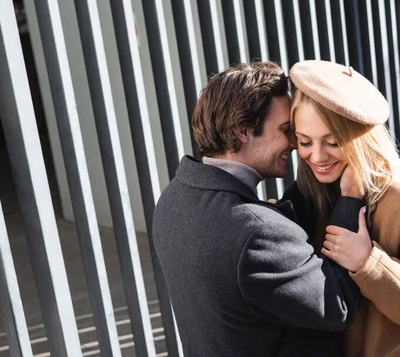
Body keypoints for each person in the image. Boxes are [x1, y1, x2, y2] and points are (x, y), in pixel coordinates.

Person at [152, 61, 362, 356]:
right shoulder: (257, 232)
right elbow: (337, 304)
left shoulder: (174, 199)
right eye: (285, 130)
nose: (293, 143)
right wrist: (350, 198)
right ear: (244, 130)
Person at [285, 60, 400, 356]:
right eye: (305, 141)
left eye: (333, 142)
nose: (317, 156)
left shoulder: (399, 197)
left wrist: (368, 262)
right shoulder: (311, 182)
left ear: (358, 139)